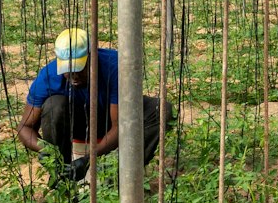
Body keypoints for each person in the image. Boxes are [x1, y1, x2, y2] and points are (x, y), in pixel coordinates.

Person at [16, 28, 170, 183]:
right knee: (53, 105)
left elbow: (120, 126)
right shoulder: (48, 76)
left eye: (79, 69)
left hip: (112, 120)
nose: (74, 76)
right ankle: (63, 177)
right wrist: (46, 149)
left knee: (161, 110)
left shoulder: (115, 67)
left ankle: (115, 175)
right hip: (78, 125)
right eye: (67, 71)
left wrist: (89, 158)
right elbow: (25, 127)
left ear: (92, 57)